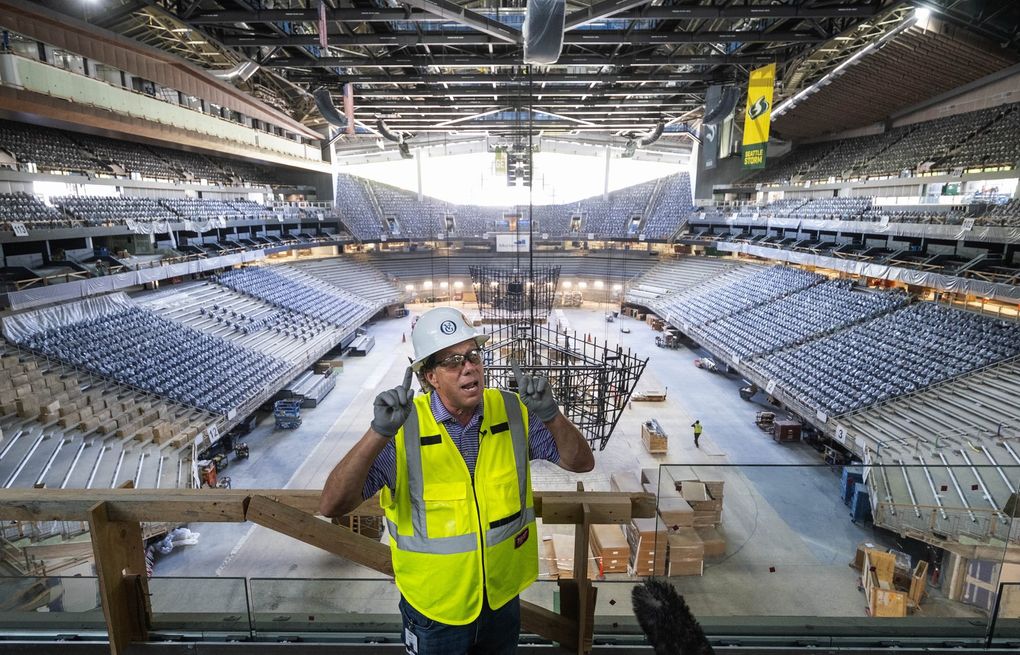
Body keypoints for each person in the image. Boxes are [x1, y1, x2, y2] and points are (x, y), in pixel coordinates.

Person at [320, 306, 594, 655]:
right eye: (452, 361)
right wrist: (378, 433)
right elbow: (333, 505)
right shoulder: (404, 430)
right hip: (435, 611)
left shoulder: (512, 412)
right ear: (430, 376)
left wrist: (551, 414)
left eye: (473, 356)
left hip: (500, 600)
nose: (469, 367)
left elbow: (581, 462)